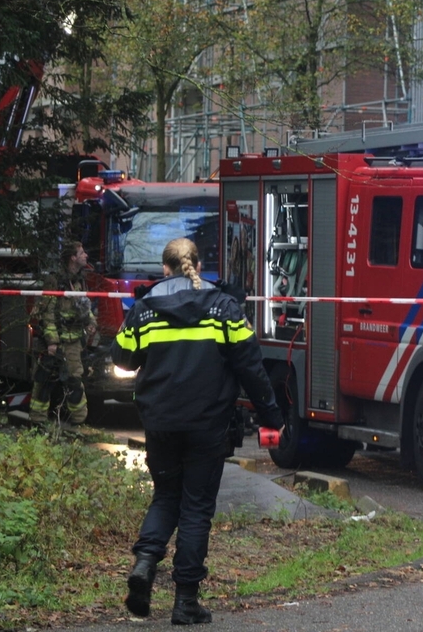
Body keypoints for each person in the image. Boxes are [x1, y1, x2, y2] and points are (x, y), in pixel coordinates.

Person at [111, 237, 284, 625]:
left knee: (165, 497)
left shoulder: (144, 310)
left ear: (165, 268)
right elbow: (251, 369)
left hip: (160, 425)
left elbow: (121, 356)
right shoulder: (224, 309)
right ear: (198, 265)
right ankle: (185, 601)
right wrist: (272, 417)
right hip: (208, 427)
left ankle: (144, 564)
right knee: (195, 509)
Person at [29, 241, 96, 425]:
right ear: (73, 258)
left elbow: (85, 307)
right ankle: (37, 422)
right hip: (55, 343)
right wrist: (51, 341)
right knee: (44, 382)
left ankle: (79, 423)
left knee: (75, 382)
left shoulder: (80, 281)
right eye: (82, 253)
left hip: (73, 343)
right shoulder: (55, 281)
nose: (86, 256)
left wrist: (91, 322)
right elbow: (47, 313)